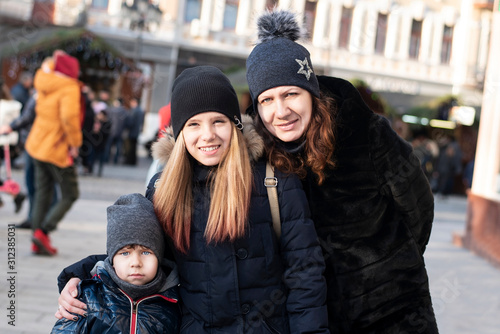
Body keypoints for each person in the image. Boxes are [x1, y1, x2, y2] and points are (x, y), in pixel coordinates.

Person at [56, 66, 329, 333]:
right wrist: (81, 277)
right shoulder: (164, 187)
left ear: (234, 126)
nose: (207, 135)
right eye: (193, 124)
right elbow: (142, 252)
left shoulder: (274, 180)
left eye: (218, 121)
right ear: (180, 133)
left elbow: (305, 272)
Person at [244, 10, 438, 333]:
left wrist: (395, 267)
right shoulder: (259, 158)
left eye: (291, 93)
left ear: (311, 91)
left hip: (397, 314)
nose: (281, 111)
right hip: (322, 320)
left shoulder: (365, 133)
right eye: (267, 100)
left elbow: (420, 208)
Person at [51, 193, 180, 333]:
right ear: (112, 259)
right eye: (125, 253)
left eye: (146, 252)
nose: (136, 263)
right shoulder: (90, 297)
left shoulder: (173, 302)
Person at [25, 51, 82, 256]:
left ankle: (36, 239)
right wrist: (75, 143)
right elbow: (69, 118)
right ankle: (43, 231)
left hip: (37, 145)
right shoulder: (69, 87)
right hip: (57, 148)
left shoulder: (45, 82)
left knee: (43, 192)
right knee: (71, 193)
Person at [0, 78, 26, 212]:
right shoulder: (13, 104)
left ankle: (17, 195)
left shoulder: (4, 107)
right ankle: (16, 196)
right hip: (8, 143)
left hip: (2, 142)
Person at [124, 97, 144, 166]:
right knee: (133, 147)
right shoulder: (140, 111)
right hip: (136, 131)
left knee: (130, 148)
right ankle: (133, 161)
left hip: (132, 132)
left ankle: (129, 161)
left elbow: (131, 122)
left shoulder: (134, 111)